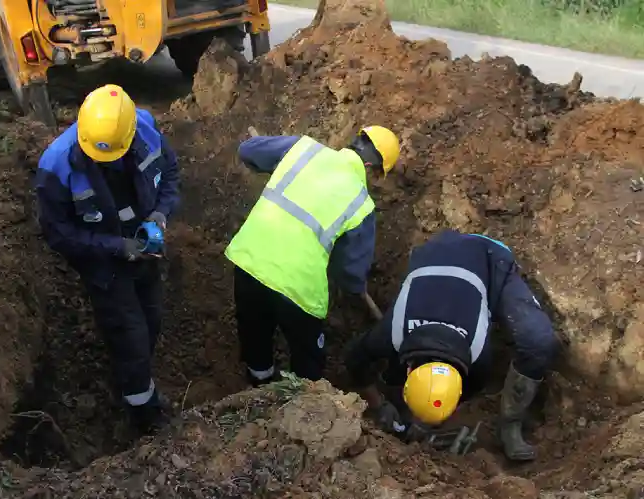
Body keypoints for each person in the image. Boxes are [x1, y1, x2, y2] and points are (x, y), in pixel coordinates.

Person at [35, 84, 180, 434]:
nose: (109, 161)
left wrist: (160, 214)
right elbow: (59, 234)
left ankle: (136, 377)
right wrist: (117, 247)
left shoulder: (143, 128)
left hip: (144, 251)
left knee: (151, 322)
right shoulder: (56, 166)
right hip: (104, 266)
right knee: (130, 336)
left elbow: (171, 174)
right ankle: (143, 416)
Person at [344, 229, 560, 461]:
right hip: (433, 252)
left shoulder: (479, 357)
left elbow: (469, 389)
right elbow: (354, 359)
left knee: (537, 340)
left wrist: (426, 421)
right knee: (390, 376)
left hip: (488, 257)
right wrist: (379, 404)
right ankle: (395, 388)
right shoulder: (390, 332)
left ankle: (510, 424)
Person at [224, 126, 401, 387]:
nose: (373, 181)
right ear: (369, 166)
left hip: (250, 261)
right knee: (308, 357)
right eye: (376, 175)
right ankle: (301, 407)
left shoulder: (303, 149)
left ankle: (257, 389)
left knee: (255, 333)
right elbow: (351, 275)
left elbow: (247, 151)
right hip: (298, 287)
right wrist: (352, 289)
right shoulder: (361, 203)